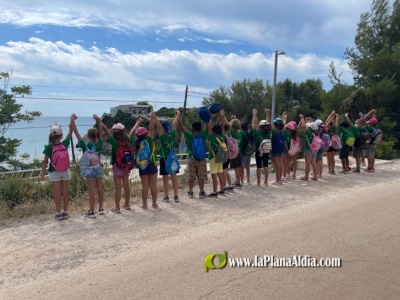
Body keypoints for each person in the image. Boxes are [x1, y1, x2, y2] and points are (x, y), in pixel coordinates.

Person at [39, 115, 74, 220]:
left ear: (51, 135)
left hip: (54, 171)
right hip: (65, 170)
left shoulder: (49, 147)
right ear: (61, 135)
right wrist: (71, 120)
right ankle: (66, 212)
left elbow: (45, 161)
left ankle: (58, 213)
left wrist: (42, 173)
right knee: (66, 191)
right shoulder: (65, 143)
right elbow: (71, 132)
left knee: (57, 193)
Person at [71, 114, 105, 218]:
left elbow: (76, 132)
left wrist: (72, 120)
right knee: (100, 188)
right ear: (96, 136)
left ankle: (91, 211)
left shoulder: (84, 144)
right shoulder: (99, 144)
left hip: (89, 170)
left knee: (91, 190)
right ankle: (101, 208)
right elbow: (101, 132)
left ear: (88, 135)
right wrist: (98, 120)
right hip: (98, 169)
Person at [102, 121, 138, 213]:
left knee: (117, 188)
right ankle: (127, 204)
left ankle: (117, 207)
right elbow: (133, 131)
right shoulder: (127, 140)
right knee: (126, 186)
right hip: (126, 166)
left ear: (114, 132)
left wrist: (99, 121)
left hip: (117, 166)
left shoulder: (114, 143)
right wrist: (138, 122)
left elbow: (106, 131)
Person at [178, 116, 208, 199]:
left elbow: (182, 128)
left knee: (191, 176)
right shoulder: (203, 135)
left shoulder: (190, 136)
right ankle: (201, 192)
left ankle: (190, 191)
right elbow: (207, 126)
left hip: (192, 158)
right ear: (200, 128)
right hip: (202, 159)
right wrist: (209, 118)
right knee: (201, 176)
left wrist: (178, 119)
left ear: (192, 128)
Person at [154, 111, 180, 202]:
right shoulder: (173, 135)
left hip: (164, 158)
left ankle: (166, 196)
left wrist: (154, 117)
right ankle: (176, 196)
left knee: (165, 179)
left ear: (163, 129)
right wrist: (178, 114)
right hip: (172, 158)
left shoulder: (162, 137)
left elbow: (158, 126)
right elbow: (175, 124)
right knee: (174, 177)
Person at [135, 114, 158, 209]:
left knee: (145, 186)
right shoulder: (149, 140)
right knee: (153, 185)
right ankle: (154, 203)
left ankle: (144, 204)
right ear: (146, 134)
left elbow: (132, 133)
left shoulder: (137, 143)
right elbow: (152, 128)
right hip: (151, 163)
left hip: (142, 165)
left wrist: (137, 123)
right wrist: (152, 118)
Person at [252, 108, 273, 186]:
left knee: (259, 166)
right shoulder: (269, 132)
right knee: (266, 165)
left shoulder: (258, 132)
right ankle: (266, 182)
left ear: (260, 126)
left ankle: (258, 182)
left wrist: (254, 114)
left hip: (259, 151)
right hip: (266, 151)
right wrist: (267, 114)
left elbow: (254, 123)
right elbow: (268, 122)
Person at [207, 114, 226, 197]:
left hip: (213, 158)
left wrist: (212, 118)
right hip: (221, 157)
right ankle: (222, 189)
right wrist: (221, 117)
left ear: (213, 132)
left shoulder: (212, 138)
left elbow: (209, 127)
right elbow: (223, 126)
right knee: (220, 174)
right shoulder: (222, 136)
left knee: (214, 175)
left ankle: (214, 191)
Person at [299, 116, 319, 181]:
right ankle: (315, 176)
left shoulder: (309, 133)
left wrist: (302, 118)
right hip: (315, 150)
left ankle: (306, 177)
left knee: (307, 164)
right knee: (314, 163)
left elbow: (304, 126)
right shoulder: (316, 134)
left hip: (308, 150)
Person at [270, 117, 285, 186]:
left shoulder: (274, 132)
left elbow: (269, 124)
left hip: (275, 150)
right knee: (280, 164)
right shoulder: (282, 132)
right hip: (280, 150)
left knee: (277, 166)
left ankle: (277, 180)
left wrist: (267, 114)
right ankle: (280, 179)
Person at [228, 118, 243, 188]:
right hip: (239, 152)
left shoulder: (232, 133)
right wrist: (233, 119)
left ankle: (238, 182)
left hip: (234, 153)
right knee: (239, 167)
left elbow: (227, 125)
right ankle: (238, 180)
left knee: (236, 168)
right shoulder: (240, 133)